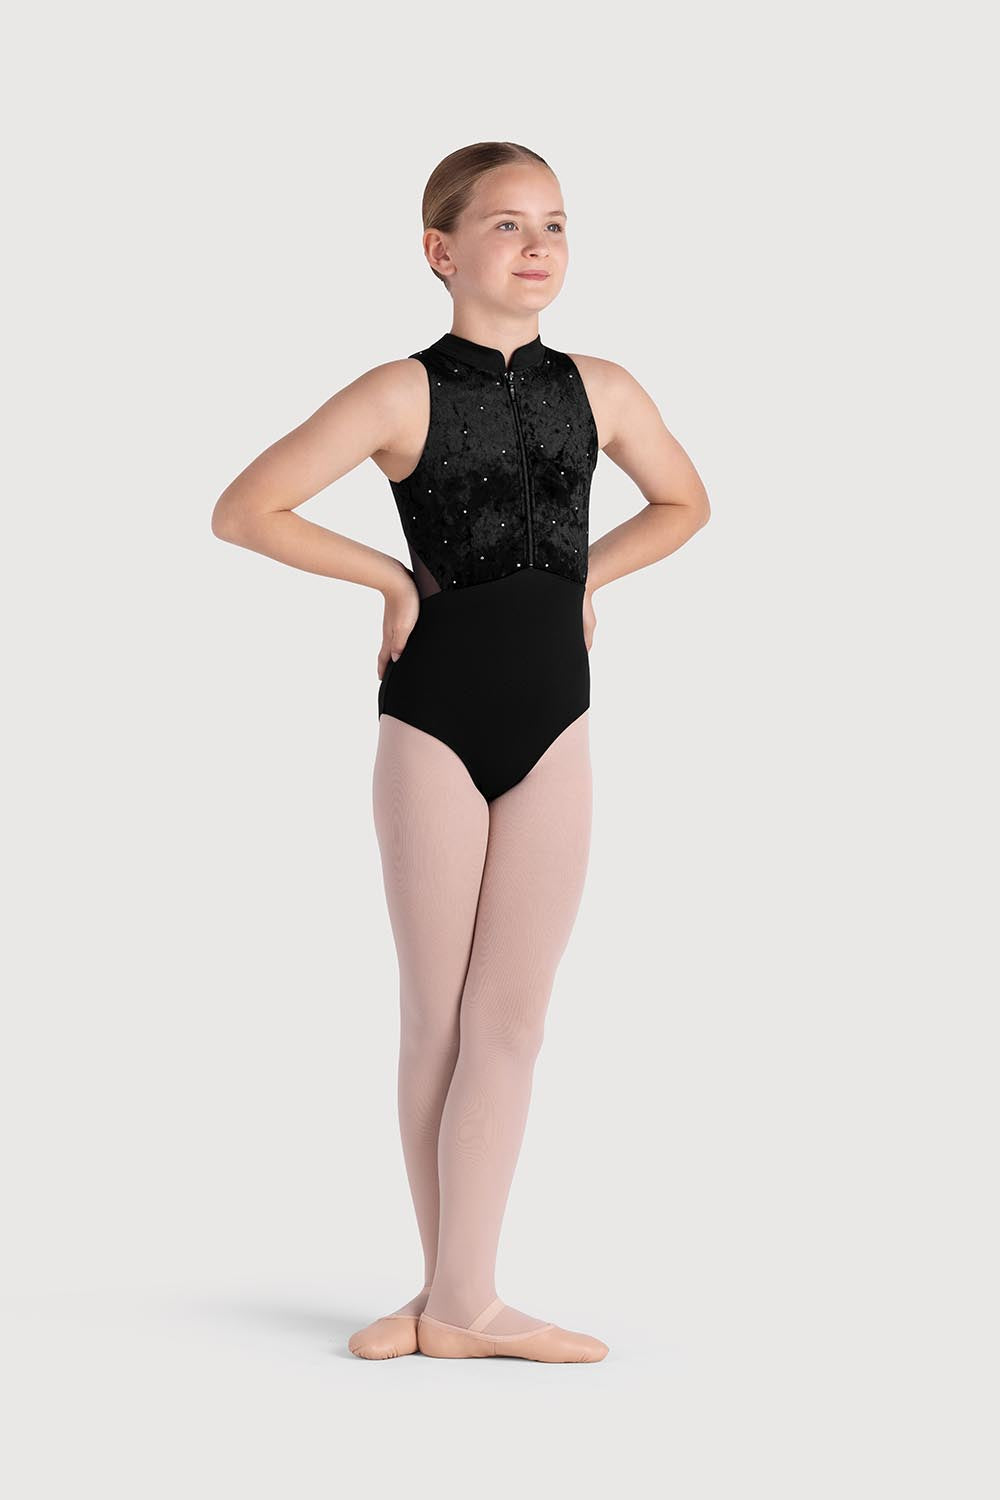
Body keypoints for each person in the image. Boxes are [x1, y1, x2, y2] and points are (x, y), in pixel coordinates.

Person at [211, 141, 711, 1362]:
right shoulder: (398, 393)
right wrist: (389, 580)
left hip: (556, 723)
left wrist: (582, 579)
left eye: (554, 223)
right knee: (437, 1016)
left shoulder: (603, 388)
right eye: (505, 224)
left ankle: (453, 1303)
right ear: (440, 251)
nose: (537, 246)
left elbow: (684, 503)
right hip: (432, 722)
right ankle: (458, 1303)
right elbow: (245, 509)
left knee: (513, 1021)